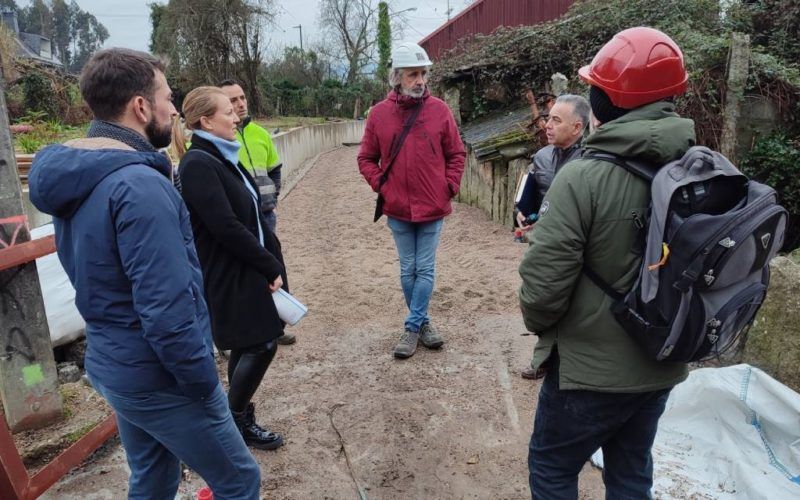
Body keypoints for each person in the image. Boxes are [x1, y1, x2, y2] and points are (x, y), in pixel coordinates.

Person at [27, 49, 260, 499]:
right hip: (161, 375)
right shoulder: (138, 186)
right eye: (167, 97)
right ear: (140, 106)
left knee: (153, 478)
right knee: (239, 480)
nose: (174, 109)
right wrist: (200, 381)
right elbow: (166, 307)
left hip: (116, 363)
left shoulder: (82, 175)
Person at [518, 27, 694, 499]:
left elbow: (541, 285)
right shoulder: (699, 167)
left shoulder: (582, 177)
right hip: (662, 361)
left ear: (603, 99)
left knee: (552, 468)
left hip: (588, 372)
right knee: (632, 471)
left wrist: (542, 325)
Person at [173, 86, 287, 451]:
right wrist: (267, 262)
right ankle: (233, 423)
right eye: (227, 112)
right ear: (205, 120)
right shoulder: (198, 164)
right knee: (263, 342)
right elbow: (224, 226)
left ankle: (238, 418)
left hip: (244, 265)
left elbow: (250, 211)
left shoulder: (220, 156)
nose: (236, 116)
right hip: (229, 272)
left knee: (247, 343)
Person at [358, 42, 466, 359]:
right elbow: (366, 158)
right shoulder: (379, 115)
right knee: (408, 270)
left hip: (433, 206)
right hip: (397, 207)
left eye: (423, 74)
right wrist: (383, 186)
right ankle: (424, 322)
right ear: (397, 77)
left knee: (425, 269)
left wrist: (450, 186)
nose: (420, 80)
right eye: (412, 74)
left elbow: (456, 153)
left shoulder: (439, 111)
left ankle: (412, 327)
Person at [515, 94, 589, 380]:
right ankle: (543, 359)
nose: (547, 125)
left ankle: (570, 362)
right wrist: (520, 214)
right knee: (546, 297)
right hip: (546, 246)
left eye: (557, 120)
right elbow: (525, 195)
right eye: (548, 119)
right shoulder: (542, 157)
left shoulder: (591, 161)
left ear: (577, 127)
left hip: (575, 246)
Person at [219, 79, 295, 346]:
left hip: (265, 215)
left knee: (271, 266)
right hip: (239, 221)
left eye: (242, 98)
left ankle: (277, 323)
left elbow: (275, 168)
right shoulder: (221, 140)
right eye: (232, 101)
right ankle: (250, 328)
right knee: (249, 271)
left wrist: (272, 196)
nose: (240, 104)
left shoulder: (260, 134)